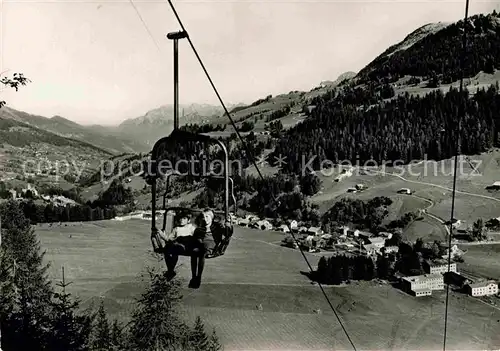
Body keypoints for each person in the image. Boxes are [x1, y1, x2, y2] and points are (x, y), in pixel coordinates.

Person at [189, 208, 233, 289]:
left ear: (212, 218)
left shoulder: (217, 226)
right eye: (203, 217)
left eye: (207, 217)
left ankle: (198, 277)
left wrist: (228, 225)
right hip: (201, 246)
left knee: (202, 252)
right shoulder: (200, 228)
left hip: (212, 248)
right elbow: (196, 238)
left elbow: (227, 234)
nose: (205, 219)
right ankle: (193, 276)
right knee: (194, 252)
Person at [156, 210, 196, 281]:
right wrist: (160, 233)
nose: (181, 220)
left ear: (188, 220)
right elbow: (168, 239)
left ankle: (170, 271)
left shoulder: (191, 228)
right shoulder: (176, 229)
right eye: (180, 218)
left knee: (175, 247)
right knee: (168, 249)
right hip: (177, 247)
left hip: (188, 246)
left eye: (184, 218)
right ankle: (170, 270)